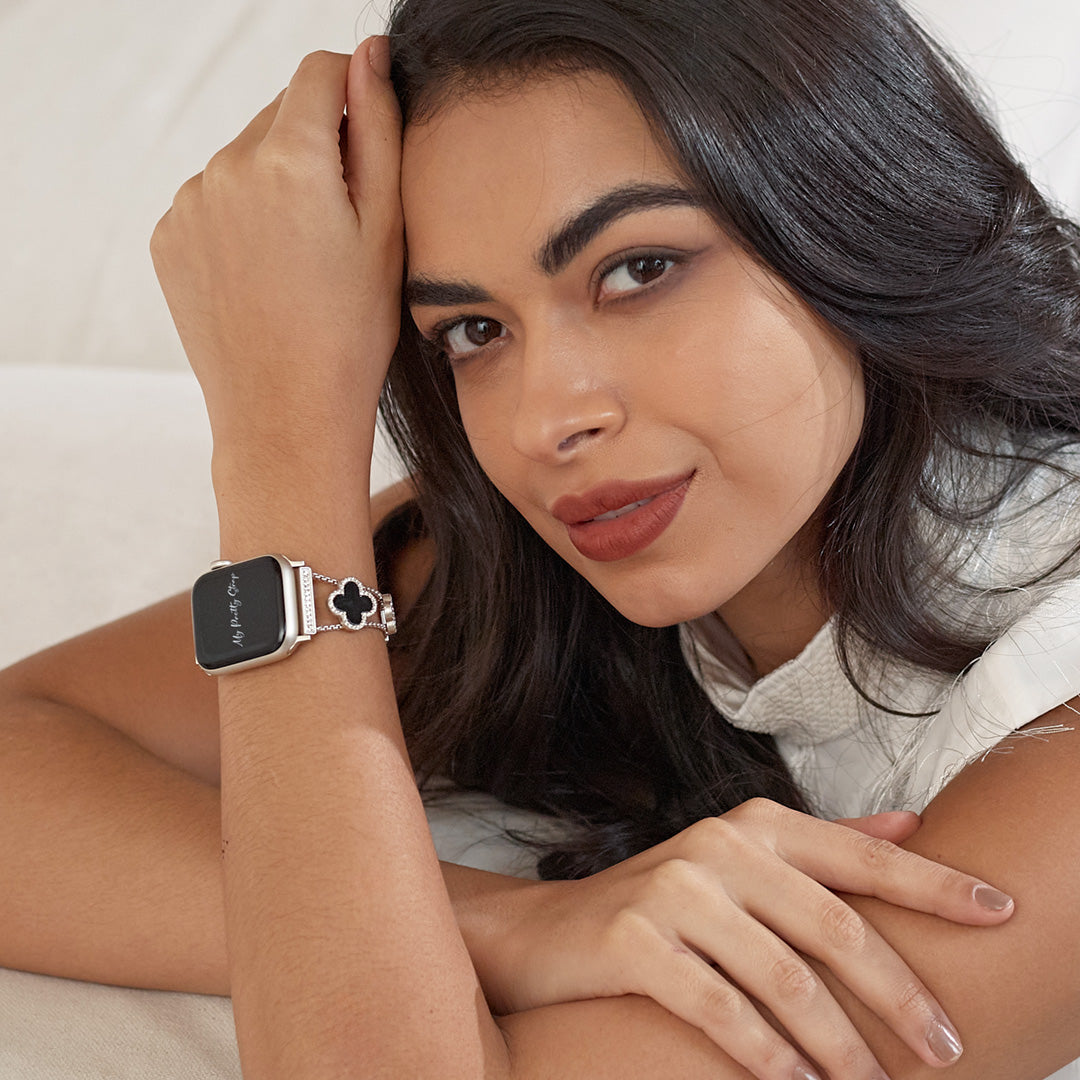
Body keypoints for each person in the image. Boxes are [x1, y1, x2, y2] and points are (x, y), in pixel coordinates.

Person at [1, 0, 1079, 1077]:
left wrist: (278, 447)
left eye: (637, 270)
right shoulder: (537, 557)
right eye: (475, 332)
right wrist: (510, 926)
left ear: (856, 211)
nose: (544, 421)